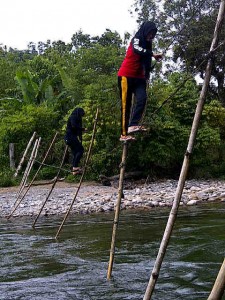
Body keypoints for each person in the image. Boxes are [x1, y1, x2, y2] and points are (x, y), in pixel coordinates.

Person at [118, 21, 162, 142]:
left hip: (139, 78)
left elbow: (146, 61)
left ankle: (132, 125)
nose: (151, 36)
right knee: (126, 106)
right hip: (126, 76)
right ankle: (123, 134)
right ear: (145, 31)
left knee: (142, 99)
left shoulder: (148, 45)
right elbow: (137, 50)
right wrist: (152, 54)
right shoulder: (136, 38)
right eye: (150, 33)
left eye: (154, 34)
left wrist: (147, 73)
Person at [64, 107, 86, 175]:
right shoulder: (73, 117)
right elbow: (74, 126)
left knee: (75, 152)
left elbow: (77, 130)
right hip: (70, 137)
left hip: (71, 137)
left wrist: (81, 133)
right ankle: (75, 167)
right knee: (80, 150)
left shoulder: (77, 118)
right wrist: (82, 129)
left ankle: (74, 169)